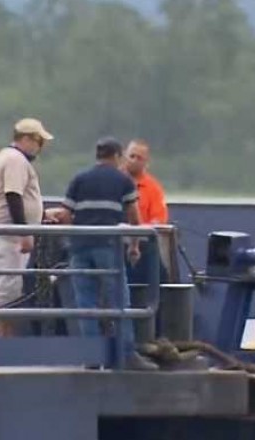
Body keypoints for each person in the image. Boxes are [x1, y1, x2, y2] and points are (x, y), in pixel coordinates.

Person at [52, 137, 159, 371]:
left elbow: (66, 214)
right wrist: (134, 245)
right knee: (119, 300)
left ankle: (92, 357)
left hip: (80, 248)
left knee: (85, 302)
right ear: (117, 156)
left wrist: (71, 239)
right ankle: (126, 355)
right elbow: (133, 216)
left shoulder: (79, 179)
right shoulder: (123, 180)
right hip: (108, 247)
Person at [0, 118, 53, 337]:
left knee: (7, 285)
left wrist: (40, 216)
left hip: (5, 231)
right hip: (8, 235)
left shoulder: (5, 157)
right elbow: (13, 195)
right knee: (5, 287)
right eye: (38, 141)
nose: (40, 147)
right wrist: (24, 232)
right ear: (25, 139)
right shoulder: (16, 160)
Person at [122, 139, 170, 284]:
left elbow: (159, 220)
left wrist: (139, 232)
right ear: (124, 155)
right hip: (115, 242)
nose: (135, 160)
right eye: (132, 156)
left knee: (161, 278)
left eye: (139, 158)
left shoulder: (153, 188)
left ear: (146, 162)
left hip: (143, 244)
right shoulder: (114, 180)